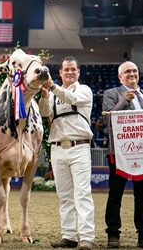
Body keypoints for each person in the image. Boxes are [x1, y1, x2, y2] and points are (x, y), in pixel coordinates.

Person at [102, 61, 143, 249]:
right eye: (127, 71)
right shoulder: (112, 94)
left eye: (135, 71)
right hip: (120, 154)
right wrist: (124, 101)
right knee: (115, 195)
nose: (132, 74)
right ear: (120, 77)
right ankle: (113, 235)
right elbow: (107, 118)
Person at [39, 56, 95, 250]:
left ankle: (86, 237)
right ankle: (69, 235)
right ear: (60, 72)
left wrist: (53, 87)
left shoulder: (84, 90)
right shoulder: (54, 93)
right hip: (57, 147)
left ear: (78, 72)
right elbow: (45, 113)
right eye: (66, 69)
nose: (70, 72)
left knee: (82, 193)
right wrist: (45, 96)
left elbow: (71, 98)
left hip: (79, 146)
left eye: (73, 69)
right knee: (64, 195)